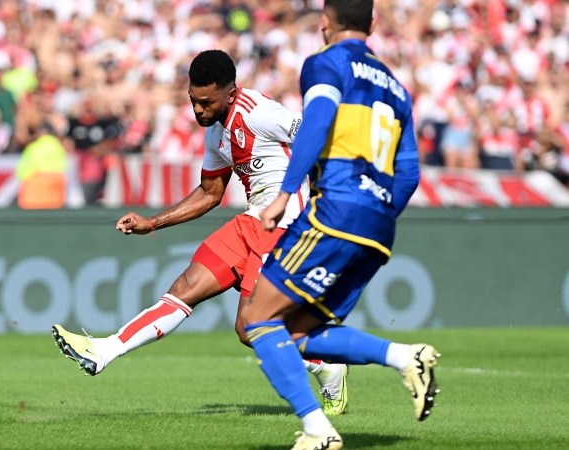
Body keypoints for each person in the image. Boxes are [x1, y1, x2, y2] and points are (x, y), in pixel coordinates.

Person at [52, 50, 350, 416]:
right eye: (193, 102)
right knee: (184, 288)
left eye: (206, 103)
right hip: (251, 222)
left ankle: (326, 365)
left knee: (249, 328)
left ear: (229, 92)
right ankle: (104, 351)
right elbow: (210, 193)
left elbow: (316, 134)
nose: (198, 111)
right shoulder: (215, 134)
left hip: (284, 226)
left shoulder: (260, 113)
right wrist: (153, 222)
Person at [238, 2, 440, 449]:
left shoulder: (325, 63)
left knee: (256, 319)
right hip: (379, 225)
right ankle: (406, 357)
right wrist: (377, 215)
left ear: (325, 22)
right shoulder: (397, 88)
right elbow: (408, 175)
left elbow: (319, 119)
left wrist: (285, 192)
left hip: (337, 210)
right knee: (298, 334)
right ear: (371, 25)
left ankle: (318, 431)